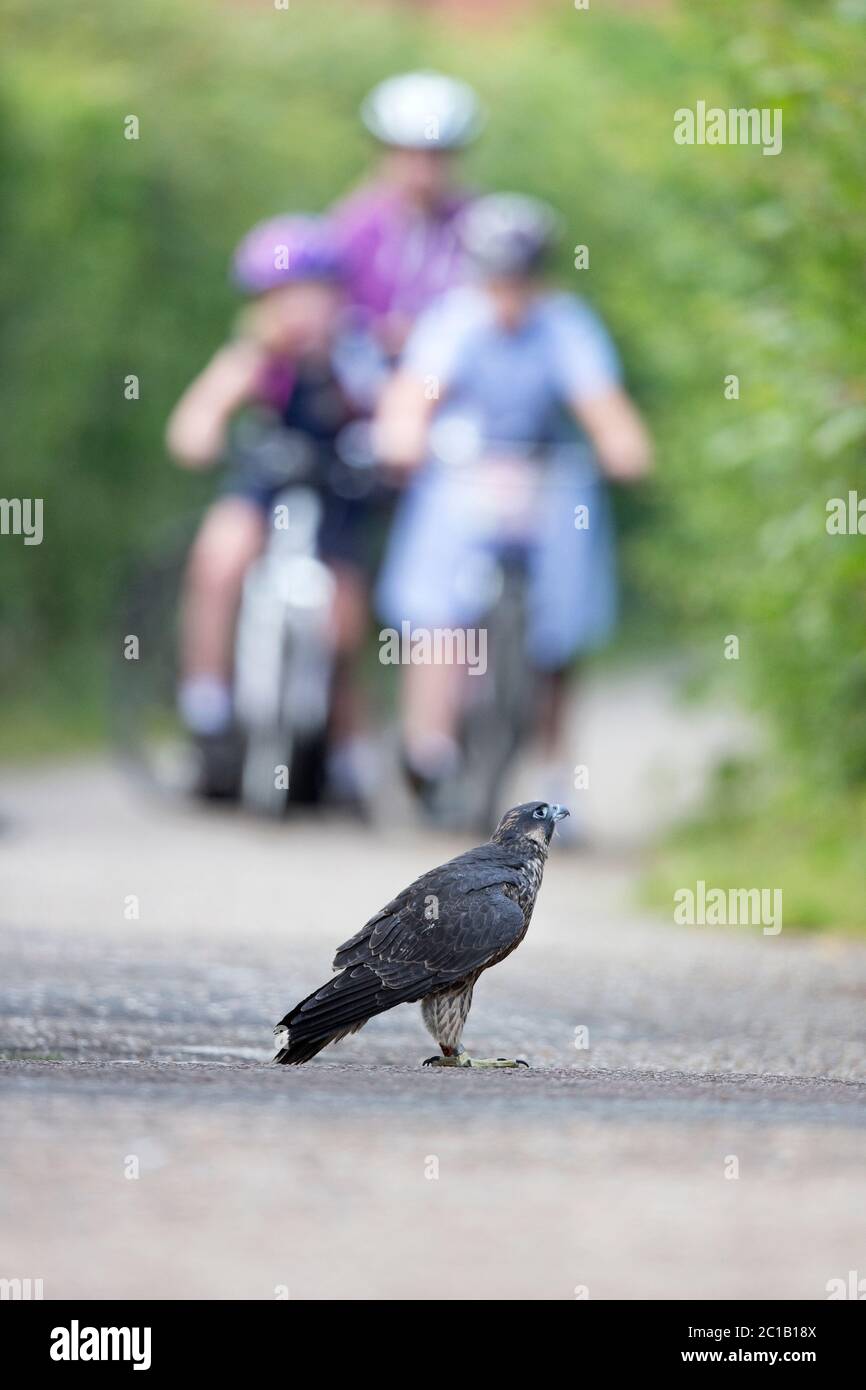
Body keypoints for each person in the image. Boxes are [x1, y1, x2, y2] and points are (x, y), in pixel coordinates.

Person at [374, 193, 653, 810]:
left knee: (561, 622)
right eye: (498, 276)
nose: (509, 291)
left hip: (546, 479)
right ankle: (430, 747)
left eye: (520, 276)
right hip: (462, 476)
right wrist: (403, 434)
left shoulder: (566, 325)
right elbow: (414, 395)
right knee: (437, 607)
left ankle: (553, 776)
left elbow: (600, 400)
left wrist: (623, 444)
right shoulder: (453, 321)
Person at [165, 215, 383, 795]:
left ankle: (345, 749)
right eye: (284, 299)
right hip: (266, 488)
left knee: (345, 614)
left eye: (313, 297)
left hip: (335, 494)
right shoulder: (255, 358)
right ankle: (206, 703)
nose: (300, 312)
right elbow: (194, 421)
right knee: (221, 556)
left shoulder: (355, 355)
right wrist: (206, 436)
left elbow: (388, 412)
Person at [330, 70, 484, 356]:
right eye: (408, 156)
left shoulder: (484, 228)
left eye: (436, 157)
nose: (422, 173)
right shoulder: (351, 227)